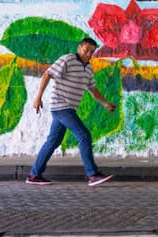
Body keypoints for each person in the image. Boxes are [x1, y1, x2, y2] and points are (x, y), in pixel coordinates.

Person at [26, 38, 116, 186]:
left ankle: (34, 175)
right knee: (84, 135)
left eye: (91, 52)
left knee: (53, 141)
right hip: (61, 106)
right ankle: (92, 174)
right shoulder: (67, 60)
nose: (88, 54)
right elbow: (47, 74)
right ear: (79, 48)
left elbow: (92, 89)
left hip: (68, 108)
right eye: (86, 50)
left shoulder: (88, 68)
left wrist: (105, 104)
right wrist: (38, 97)